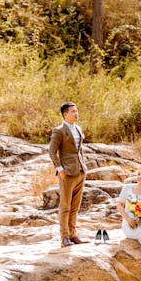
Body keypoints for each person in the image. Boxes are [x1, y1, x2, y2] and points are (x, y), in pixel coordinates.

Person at [49, 102, 88, 247]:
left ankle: (72, 234)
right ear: (65, 114)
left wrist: (84, 166)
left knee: (75, 206)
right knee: (65, 206)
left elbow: (80, 150)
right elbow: (52, 151)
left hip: (80, 171)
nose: (76, 113)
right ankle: (64, 237)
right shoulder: (58, 131)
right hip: (67, 173)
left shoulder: (78, 128)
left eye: (77, 111)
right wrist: (60, 169)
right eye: (73, 111)